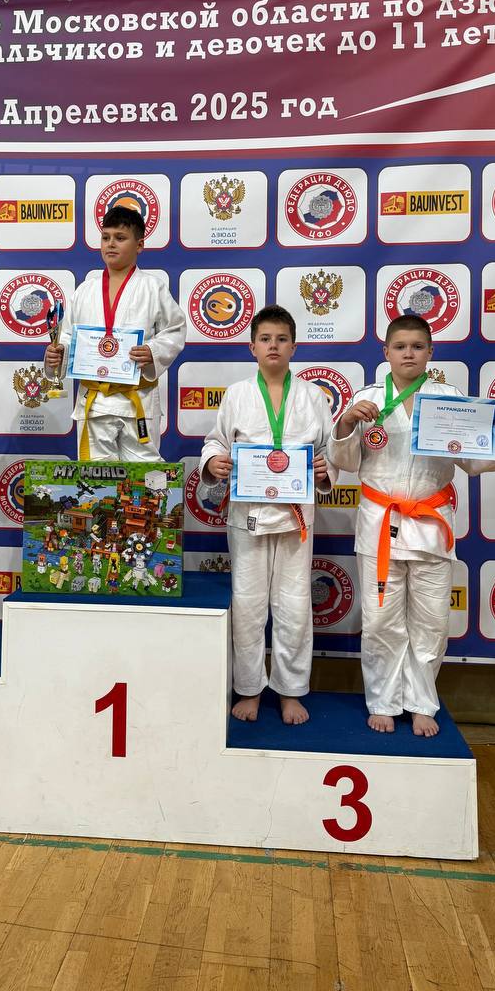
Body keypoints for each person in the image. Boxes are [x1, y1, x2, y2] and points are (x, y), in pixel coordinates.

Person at [327, 313, 495, 736]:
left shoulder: (449, 399)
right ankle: (383, 700)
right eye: (400, 347)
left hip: (431, 523)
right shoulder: (367, 400)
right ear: (386, 352)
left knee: (431, 620)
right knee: (380, 620)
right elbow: (344, 461)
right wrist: (345, 424)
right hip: (380, 523)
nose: (409, 354)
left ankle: (420, 702)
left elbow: (472, 460)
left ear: (431, 352)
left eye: (417, 347)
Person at [199, 304, 335, 724]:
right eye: (265, 339)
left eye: (281, 339)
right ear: (252, 347)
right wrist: (213, 462)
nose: (273, 345)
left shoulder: (313, 396)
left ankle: (291, 691)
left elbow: (329, 451)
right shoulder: (237, 394)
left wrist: (325, 470)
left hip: (296, 517)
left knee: (294, 606)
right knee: (248, 605)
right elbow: (216, 441)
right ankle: (249, 688)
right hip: (248, 516)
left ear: (294, 346)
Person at [45, 205, 186, 460]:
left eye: (120, 238)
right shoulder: (85, 290)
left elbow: (174, 330)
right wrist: (59, 353)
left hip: (138, 398)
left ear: (139, 245)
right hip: (95, 401)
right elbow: (67, 336)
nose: (110, 244)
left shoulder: (153, 287)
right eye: (106, 237)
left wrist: (153, 351)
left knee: (145, 476)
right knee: (95, 478)